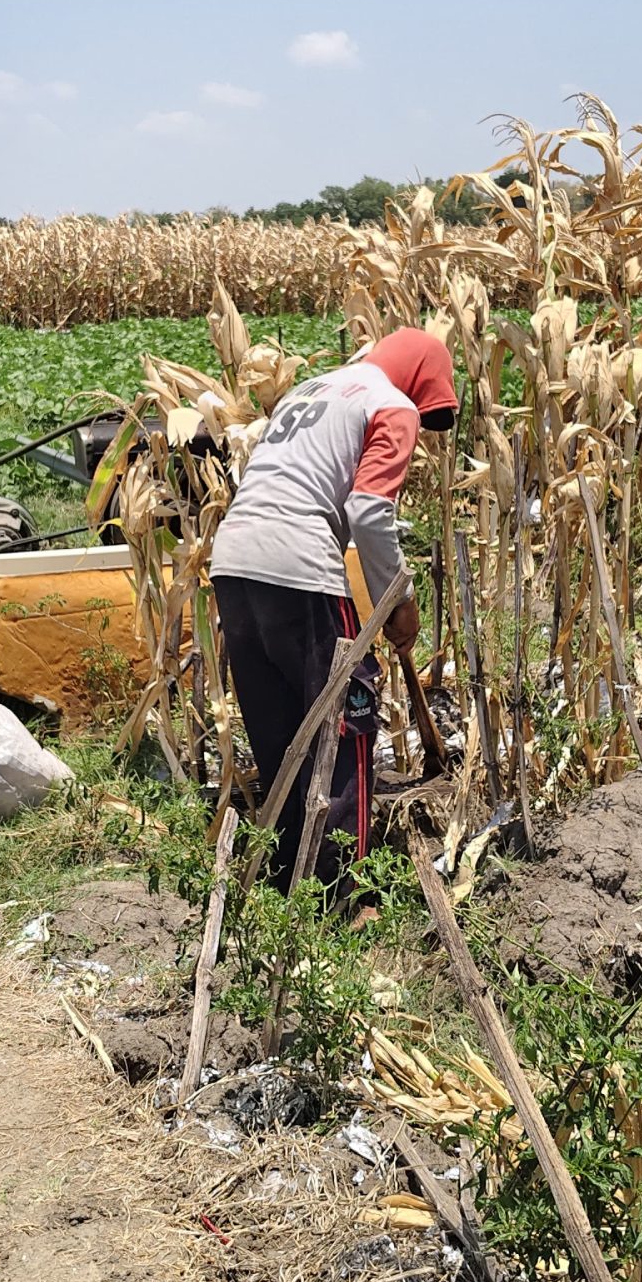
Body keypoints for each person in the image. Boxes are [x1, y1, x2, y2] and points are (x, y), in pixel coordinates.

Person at [209, 327, 459, 886]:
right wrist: (401, 600)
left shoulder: (311, 390)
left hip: (233, 562)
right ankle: (347, 891)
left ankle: (289, 879)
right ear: (419, 381)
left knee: (281, 730)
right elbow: (369, 511)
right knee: (348, 724)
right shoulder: (391, 404)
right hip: (301, 567)